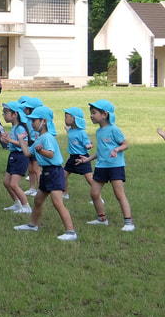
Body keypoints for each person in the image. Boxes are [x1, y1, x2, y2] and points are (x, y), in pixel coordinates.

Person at [13, 106, 78, 241]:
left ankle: (71, 232)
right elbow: (27, 153)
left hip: (54, 172)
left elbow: (50, 154)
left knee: (57, 203)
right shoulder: (39, 138)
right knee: (37, 200)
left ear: (44, 121)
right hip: (46, 173)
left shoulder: (47, 137)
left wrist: (41, 151)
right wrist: (20, 140)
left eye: (34, 120)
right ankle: (32, 225)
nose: (32, 123)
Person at [77, 99, 135, 231]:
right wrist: (87, 159)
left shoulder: (114, 129)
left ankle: (129, 222)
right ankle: (102, 219)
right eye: (91, 113)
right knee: (94, 193)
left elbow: (125, 145)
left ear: (104, 115)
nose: (91, 115)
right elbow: (101, 150)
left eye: (94, 113)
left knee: (119, 194)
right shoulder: (98, 131)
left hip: (115, 166)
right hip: (101, 166)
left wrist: (117, 150)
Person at [0, 102, 32, 214]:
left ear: (15, 114)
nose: (4, 115)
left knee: (13, 184)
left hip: (20, 157)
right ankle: (17, 204)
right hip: (13, 156)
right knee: (6, 183)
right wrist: (5, 140)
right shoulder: (14, 127)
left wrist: (10, 140)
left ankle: (26, 206)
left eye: (6, 112)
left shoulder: (20, 128)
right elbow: (12, 142)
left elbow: (25, 144)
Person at [62, 107, 94, 202]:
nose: (65, 119)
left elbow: (86, 143)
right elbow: (71, 134)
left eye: (67, 117)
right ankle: (65, 194)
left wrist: (89, 146)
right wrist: (67, 129)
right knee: (63, 175)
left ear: (74, 119)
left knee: (89, 179)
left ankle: (98, 198)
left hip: (82, 158)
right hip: (72, 158)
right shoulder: (71, 130)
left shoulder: (82, 133)